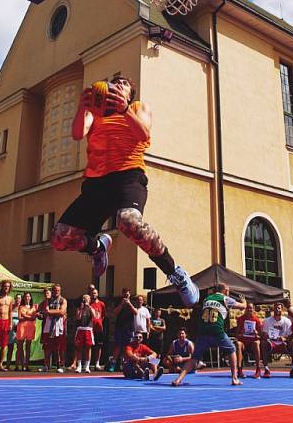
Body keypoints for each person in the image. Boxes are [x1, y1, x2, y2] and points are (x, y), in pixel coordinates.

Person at [51, 74, 199, 307]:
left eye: (124, 84)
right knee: (59, 238)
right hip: (96, 183)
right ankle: (97, 247)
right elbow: (78, 133)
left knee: (128, 221)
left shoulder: (139, 108)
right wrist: (82, 107)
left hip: (128, 177)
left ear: (130, 95)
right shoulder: (95, 112)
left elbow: (143, 134)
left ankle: (176, 273)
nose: (118, 84)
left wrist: (124, 110)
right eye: (115, 82)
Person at [171, 284, 246, 387]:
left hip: (203, 331)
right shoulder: (225, 298)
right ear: (224, 291)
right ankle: (234, 378)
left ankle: (178, 379)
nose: (228, 292)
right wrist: (244, 301)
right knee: (232, 350)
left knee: (194, 358)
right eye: (228, 290)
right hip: (216, 330)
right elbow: (243, 307)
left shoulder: (207, 299)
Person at [260, 301, 292, 378]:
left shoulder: (287, 321)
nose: (277, 309)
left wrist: (284, 338)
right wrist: (267, 336)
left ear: (282, 310)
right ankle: (266, 369)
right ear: (273, 309)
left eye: (279, 308)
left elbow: (291, 335)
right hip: (271, 343)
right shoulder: (267, 321)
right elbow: (264, 335)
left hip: (283, 344)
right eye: (275, 308)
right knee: (263, 343)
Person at [108, 288, 136, 372]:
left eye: (128, 294)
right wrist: (121, 304)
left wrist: (129, 304)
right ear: (123, 294)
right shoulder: (118, 302)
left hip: (129, 329)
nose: (126, 296)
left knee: (128, 347)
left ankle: (126, 364)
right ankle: (113, 364)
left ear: (129, 295)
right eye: (125, 294)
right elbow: (115, 312)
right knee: (118, 346)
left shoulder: (133, 302)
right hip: (119, 328)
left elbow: (136, 312)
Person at [42, 284, 67, 373]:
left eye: (58, 290)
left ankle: (61, 365)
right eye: (55, 290)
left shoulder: (63, 300)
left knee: (59, 346)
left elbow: (62, 312)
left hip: (58, 325)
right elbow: (45, 311)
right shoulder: (48, 300)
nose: (56, 292)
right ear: (52, 291)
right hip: (48, 325)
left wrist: (50, 312)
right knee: (47, 346)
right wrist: (54, 312)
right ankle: (46, 365)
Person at [236, 302, 263, 378]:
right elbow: (237, 335)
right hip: (244, 342)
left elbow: (260, 336)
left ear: (253, 309)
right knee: (238, 344)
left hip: (252, 343)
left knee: (256, 343)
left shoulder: (256, 320)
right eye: (248, 308)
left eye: (251, 308)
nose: (249, 309)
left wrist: (256, 333)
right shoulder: (241, 319)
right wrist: (242, 333)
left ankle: (258, 369)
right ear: (246, 309)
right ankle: (239, 370)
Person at [0, 280, 14, 371]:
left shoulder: (10, 299)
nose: (6, 287)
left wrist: (10, 323)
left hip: (6, 321)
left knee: (4, 345)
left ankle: (0, 364)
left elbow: (10, 312)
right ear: (2, 287)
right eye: (5, 286)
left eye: (8, 286)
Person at [74, 293, 98, 373]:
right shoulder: (79, 308)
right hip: (80, 329)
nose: (85, 300)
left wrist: (89, 306)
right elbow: (78, 317)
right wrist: (81, 309)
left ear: (89, 300)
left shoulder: (91, 308)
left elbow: (94, 316)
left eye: (87, 299)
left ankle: (87, 366)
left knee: (88, 348)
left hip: (88, 329)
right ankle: (79, 366)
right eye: (84, 299)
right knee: (79, 348)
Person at [16, 292, 37, 372]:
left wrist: (25, 316)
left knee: (28, 346)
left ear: (30, 298)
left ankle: (26, 365)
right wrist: (29, 317)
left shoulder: (34, 307)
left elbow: (34, 317)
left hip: (31, 327)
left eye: (28, 296)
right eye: (25, 297)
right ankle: (19, 365)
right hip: (22, 327)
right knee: (20, 346)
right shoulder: (21, 307)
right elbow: (19, 317)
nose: (27, 298)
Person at [89, 287, 107, 370]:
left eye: (95, 293)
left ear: (98, 294)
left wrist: (99, 322)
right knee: (89, 346)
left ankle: (97, 363)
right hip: (90, 328)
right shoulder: (88, 304)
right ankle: (87, 364)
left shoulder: (101, 304)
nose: (94, 294)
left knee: (98, 346)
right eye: (92, 293)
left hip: (98, 328)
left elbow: (103, 315)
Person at [38, 288, 53, 371]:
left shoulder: (54, 302)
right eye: (45, 293)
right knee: (46, 346)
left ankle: (59, 365)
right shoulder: (42, 303)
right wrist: (39, 315)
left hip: (54, 327)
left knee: (55, 346)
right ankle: (46, 365)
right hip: (45, 327)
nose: (46, 294)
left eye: (48, 293)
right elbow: (39, 313)